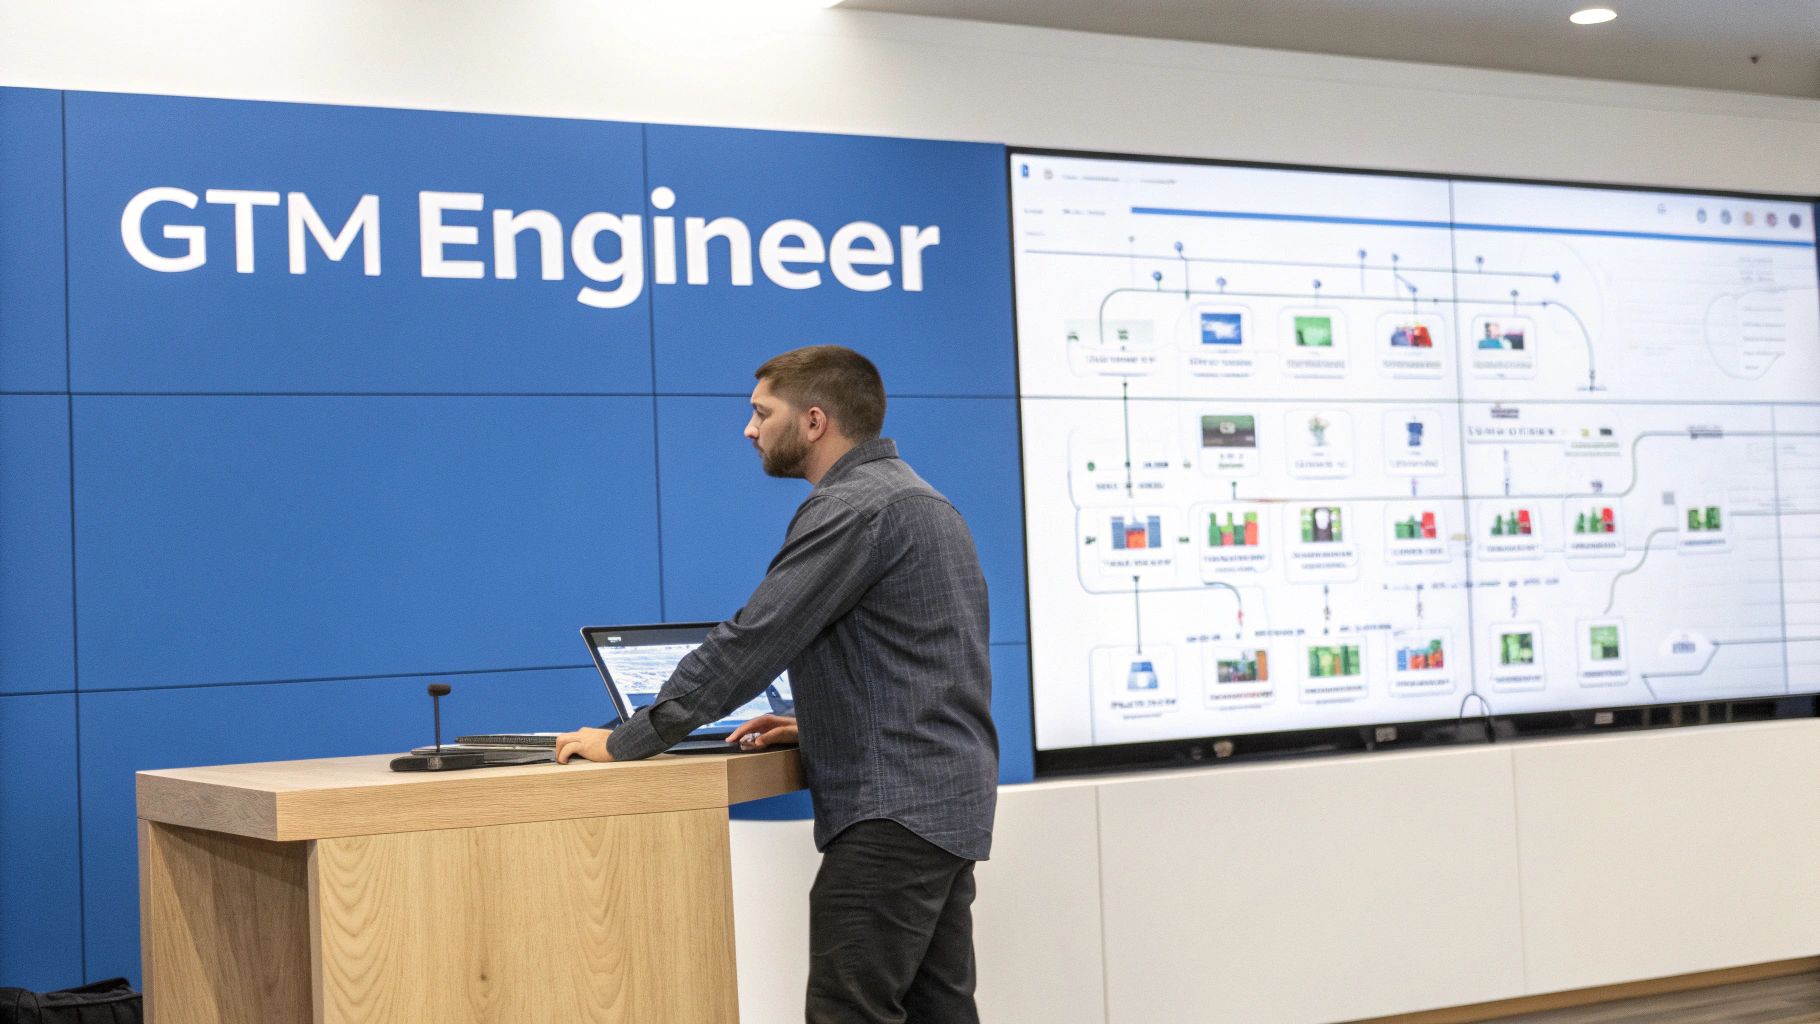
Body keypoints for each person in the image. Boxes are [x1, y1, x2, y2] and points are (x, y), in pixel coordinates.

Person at [554, 344, 998, 1024]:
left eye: (762, 412)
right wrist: (817, 722)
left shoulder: (855, 507)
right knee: (938, 1011)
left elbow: (753, 641)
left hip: (893, 812)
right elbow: (931, 660)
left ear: (814, 421)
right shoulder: (919, 499)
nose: (749, 428)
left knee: (848, 1013)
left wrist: (627, 740)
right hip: (941, 803)